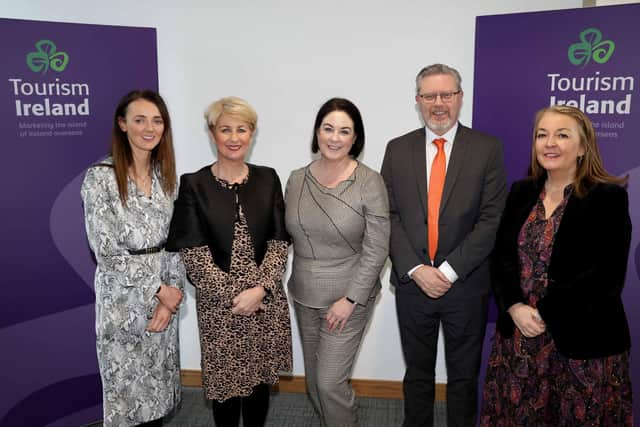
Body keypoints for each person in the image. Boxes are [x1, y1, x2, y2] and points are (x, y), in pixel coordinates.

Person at [481, 105, 633, 426]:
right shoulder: (521, 192)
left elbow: (605, 276)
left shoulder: (608, 197)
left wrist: (544, 312)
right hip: (519, 340)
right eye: (542, 135)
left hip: (584, 344)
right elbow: (502, 258)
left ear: (582, 147)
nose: (549, 143)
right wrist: (514, 307)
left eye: (562, 135)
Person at [380, 63, 507, 427]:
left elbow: (491, 219)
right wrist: (417, 270)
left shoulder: (486, 149)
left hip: (465, 285)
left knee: (463, 378)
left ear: (460, 97)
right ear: (418, 101)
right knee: (417, 376)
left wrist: (448, 271)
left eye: (447, 94)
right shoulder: (397, 149)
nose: (439, 103)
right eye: (430, 95)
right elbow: (387, 216)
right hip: (413, 283)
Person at [165, 96, 292, 427]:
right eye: (225, 130)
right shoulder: (194, 184)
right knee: (225, 387)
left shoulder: (268, 178)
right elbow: (194, 256)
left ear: (251, 133)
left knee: (258, 384)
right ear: (212, 133)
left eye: (242, 129)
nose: (234, 138)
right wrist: (238, 296)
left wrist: (260, 290)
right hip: (221, 308)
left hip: (264, 303)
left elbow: (280, 242)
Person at [81, 90, 184, 427]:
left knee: (157, 397)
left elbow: (177, 243)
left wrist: (171, 297)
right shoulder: (100, 177)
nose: (149, 128)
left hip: (162, 305)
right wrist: (159, 290)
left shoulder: (167, 179)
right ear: (122, 124)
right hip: (122, 302)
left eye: (157, 120)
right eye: (139, 119)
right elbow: (106, 252)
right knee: (126, 400)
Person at [285, 97, 390, 426]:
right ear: (317, 132)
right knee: (316, 385)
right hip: (304, 294)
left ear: (355, 138)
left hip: (348, 298)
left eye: (344, 131)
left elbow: (377, 246)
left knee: (330, 383)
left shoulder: (369, 181)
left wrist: (350, 299)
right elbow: (283, 235)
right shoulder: (297, 178)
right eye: (328, 128)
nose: (334, 137)